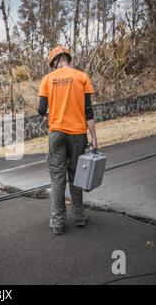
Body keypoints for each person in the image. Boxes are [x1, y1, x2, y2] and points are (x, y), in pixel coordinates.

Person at [37, 46, 98, 236]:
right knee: (76, 175)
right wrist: (94, 137)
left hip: (57, 133)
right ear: (67, 58)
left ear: (55, 61)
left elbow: (41, 109)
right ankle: (79, 217)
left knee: (58, 179)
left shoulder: (47, 80)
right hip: (78, 133)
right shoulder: (82, 77)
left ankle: (57, 222)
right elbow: (88, 110)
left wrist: (55, 108)